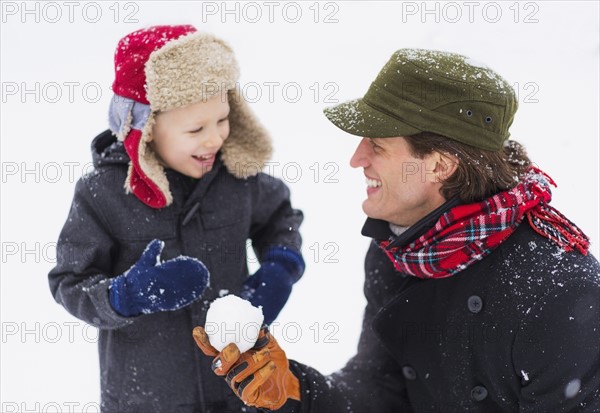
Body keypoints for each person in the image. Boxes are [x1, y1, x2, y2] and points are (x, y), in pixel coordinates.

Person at [193, 48, 600, 412]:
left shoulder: (556, 290)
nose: (357, 158)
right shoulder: (406, 247)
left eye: (378, 144)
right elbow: (383, 387)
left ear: (440, 165)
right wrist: (296, 389)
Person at [48, 25, 305, 413]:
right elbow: (70, 281)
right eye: (195, 129)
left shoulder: (236, 177)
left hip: (236, 387)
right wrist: (123, 296)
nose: (215, 139)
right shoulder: (102, 193)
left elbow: (280, 218)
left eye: (222, 119)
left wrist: (280, 268)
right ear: (146, 129)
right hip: (146, 396)